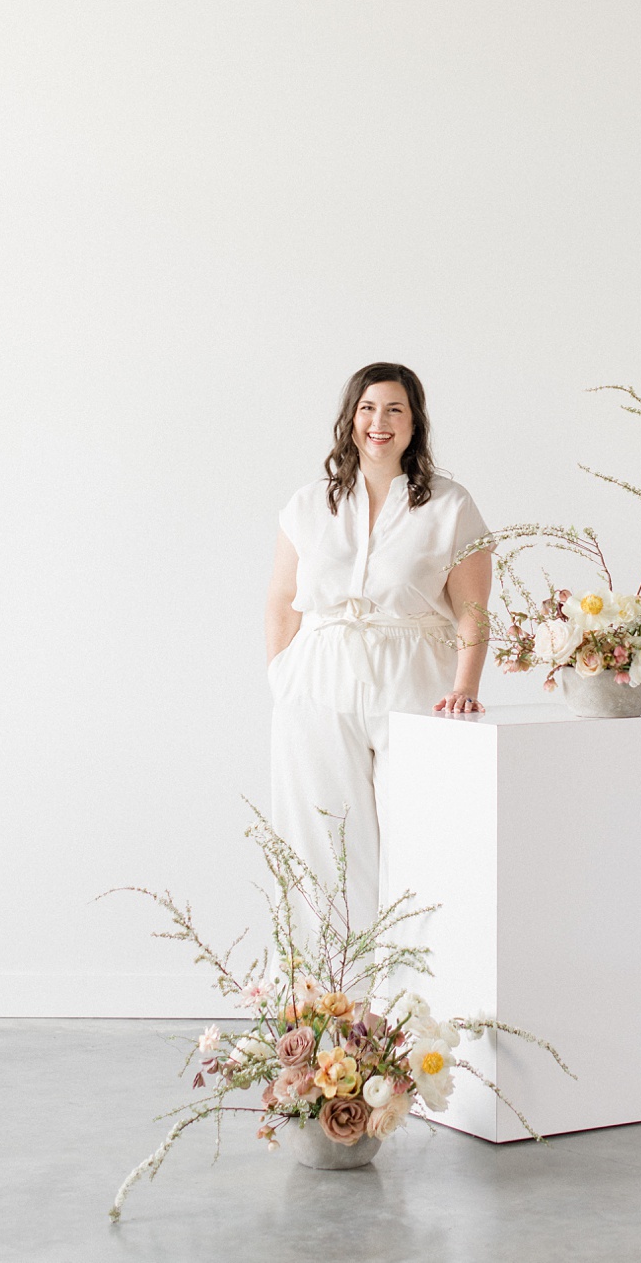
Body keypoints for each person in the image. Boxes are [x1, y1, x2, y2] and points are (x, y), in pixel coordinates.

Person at [265, 362, 492, 931]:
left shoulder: (450, 504)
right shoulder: (308, 504)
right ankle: (328, 1004)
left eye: (395, 409)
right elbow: (281, 597)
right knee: (322, 845)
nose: (379, 421)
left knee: (421, 839)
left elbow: (472, 609)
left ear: (415, 423)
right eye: (368, 408)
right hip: (318, 680)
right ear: (350, 419)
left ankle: (414, 1007)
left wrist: (465, 686)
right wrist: (281, 674)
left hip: (414, 679)